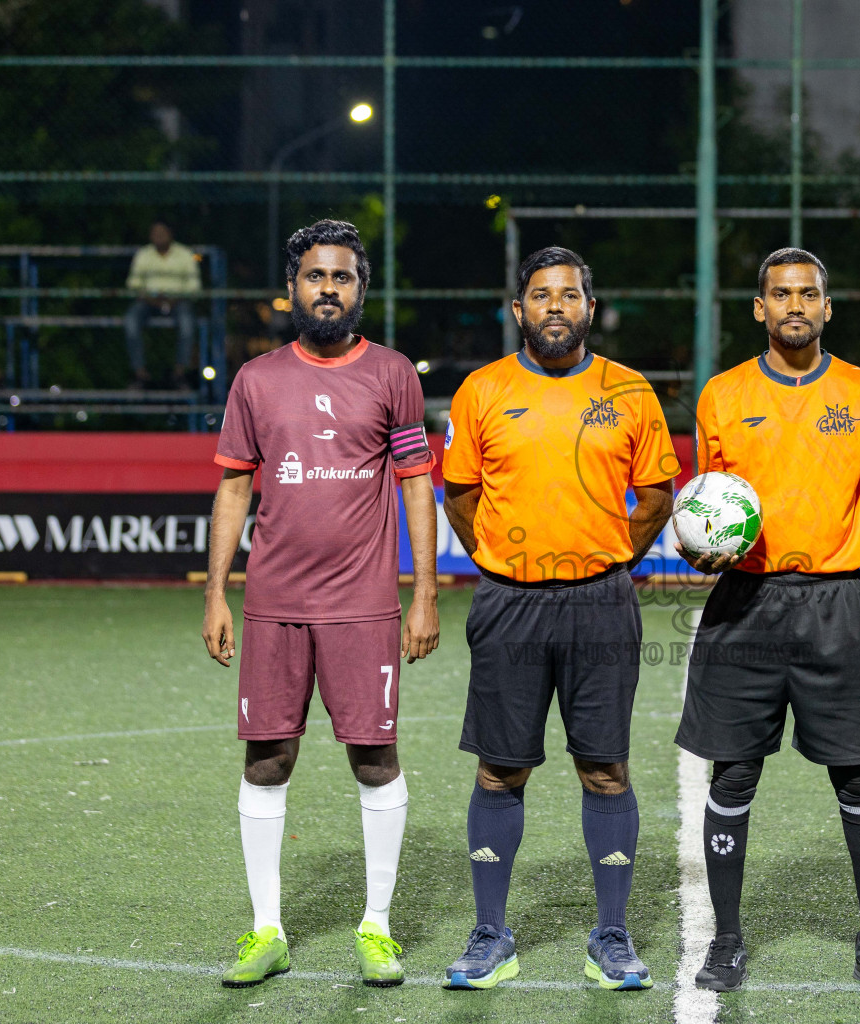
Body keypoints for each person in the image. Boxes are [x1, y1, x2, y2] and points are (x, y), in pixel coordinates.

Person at [201, 219, 441, 989]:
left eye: (341, 277)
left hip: (363, 608)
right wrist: (216, 594)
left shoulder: (393, 373)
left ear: (360, 290)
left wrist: (424, 593)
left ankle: (377, 927)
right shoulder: (257, 379)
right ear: (293, 287)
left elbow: (414, 485)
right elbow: (235, 485)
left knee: (375, 758)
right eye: (315, 276)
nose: (328, 289)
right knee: (268, 756)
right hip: (273, 605)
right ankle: (266, 928)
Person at [440, 246, 677, 991]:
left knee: (605, 770)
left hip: (602, 602)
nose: (554, 306)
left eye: (568, 295)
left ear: (589, 309)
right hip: (509, 601)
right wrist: (504, 560)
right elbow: (460, 494)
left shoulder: (630, 392)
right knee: (500, 769)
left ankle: (610, 936)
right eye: (540, 295)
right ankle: (491, 936)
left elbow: (658, 500)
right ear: (518, 311)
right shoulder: (481, 391)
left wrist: (609, 559)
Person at [674, 248, 860, 995]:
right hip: (745, 603)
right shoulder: (721, 395)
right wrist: (700, 549)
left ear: (828, 307)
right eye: (781, 294)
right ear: (759, 308)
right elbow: (705, 503)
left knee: (856, 772)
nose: (795, 306)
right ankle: (729, 943)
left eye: (809, 293)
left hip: (838, 602)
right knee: (734, 771)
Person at [124, 220, 201, 388]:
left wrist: (175, 297)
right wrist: (150, 297)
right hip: (148, 301)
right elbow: (133, 284)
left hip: (178, 301)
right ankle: (139, 374)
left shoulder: (184, 254)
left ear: (170, 233)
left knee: (188, 324)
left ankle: (180, 374)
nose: (158, 236)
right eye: (155, 232)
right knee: (130, 320)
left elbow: (194, 287)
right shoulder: (143, 254)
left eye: (162, 232)